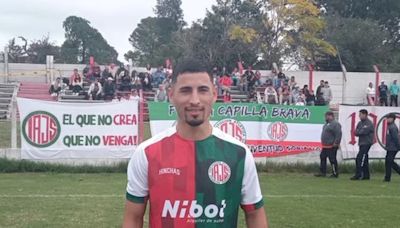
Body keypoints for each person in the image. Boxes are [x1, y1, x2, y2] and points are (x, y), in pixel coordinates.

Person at [123, 59, 268, 228]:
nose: (194, 100)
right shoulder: (147, 153)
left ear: (214, 95)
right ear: (171, 95)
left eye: (202, 90)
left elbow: (255, 214)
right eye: (185, 91)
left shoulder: (239, 153)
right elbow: (133, 217)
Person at [315, 111, 342, 178]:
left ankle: (335, 173)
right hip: (325, 146)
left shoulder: (335, 124)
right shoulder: (326, 124)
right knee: (322, 157)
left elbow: (338, 134)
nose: (325, 118)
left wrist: (336, 142)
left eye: (326, 116)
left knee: (332, 159)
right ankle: (322, 172)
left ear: (331, 116)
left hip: (331, 145)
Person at [351, 109, 374, 180]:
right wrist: (359, 131)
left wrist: (359, 131)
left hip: (367, 143)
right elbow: (356, 132)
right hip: (361, 143)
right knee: (365, 159)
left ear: (365, 114)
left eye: (360, 114)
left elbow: (363, 132)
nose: (359, 116)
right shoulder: (360, 123)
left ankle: (358, 174)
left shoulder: (369, 123)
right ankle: (366, 175)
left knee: (360, 159)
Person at [384, 113, 400, 182]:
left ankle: (387, 177)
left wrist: (398, 146)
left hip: (393, 147)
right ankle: (387, 177)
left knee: (389, 162)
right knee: (389, 162)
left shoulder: (392, 127)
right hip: (390, 147)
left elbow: (395, 138)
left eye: (388, 118)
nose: (387, 119)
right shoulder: (390, 126)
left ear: (392, 119)